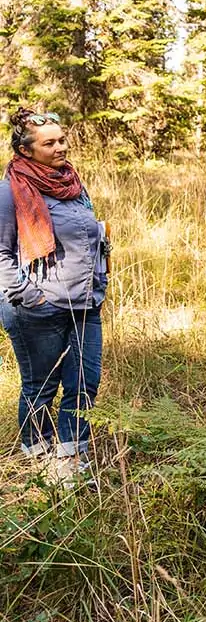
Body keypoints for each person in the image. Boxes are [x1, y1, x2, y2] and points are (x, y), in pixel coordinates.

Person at [0, 108, 107, 487]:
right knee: (41, 386)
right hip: (38, 308)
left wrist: (100, 281)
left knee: (84, 383)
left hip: (85, 303)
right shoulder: (10, 191)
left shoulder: (74, 184)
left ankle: (72, 458)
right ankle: (38, 455)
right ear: (26, 151)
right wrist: (30, 297)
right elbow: (1, 254)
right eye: (50, 143)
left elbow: (94, 236)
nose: (61, 146)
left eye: (62, 139)